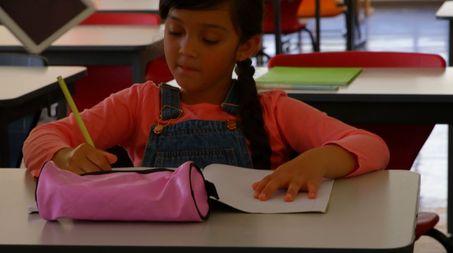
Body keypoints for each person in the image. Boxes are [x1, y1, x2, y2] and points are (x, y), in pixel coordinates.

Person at [23, 0, 389, 202]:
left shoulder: (271, 109)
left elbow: (370, 145)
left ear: (246, 46)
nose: (186, 50)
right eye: (175, 32)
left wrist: (320, 160)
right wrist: (65, 155)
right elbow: (41, 139)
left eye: (210, 39)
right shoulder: (138, 103)